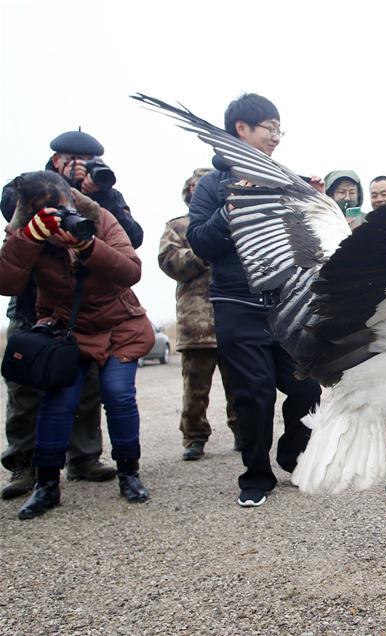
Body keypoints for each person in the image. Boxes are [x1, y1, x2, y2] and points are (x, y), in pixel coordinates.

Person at [187, 93, 322, 507]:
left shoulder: (284, 180)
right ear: (240, 130)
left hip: (284, 304)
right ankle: (256, 474)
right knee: (255, 394)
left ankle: (292, 452)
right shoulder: (211, 186)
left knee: (307, 386)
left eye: (280, 129)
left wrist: (314, 204)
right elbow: (201, 244)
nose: (276, 137)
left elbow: (306, 245)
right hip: (236, 304)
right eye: (270, 127)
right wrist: (232, 206)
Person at [0, 170, 154, 519]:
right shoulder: (28, 235)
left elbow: (131, 270)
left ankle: (129, 474)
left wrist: (88, 245)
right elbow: (7, 282)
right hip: (68, 331)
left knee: (118, 395)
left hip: (119, 324)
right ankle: (47, 485)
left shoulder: (99, 219)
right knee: (59, 401)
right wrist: (29, 240)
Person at [158, 168, 239, 461]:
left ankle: (242, 432)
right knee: (195, 388)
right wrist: (204, 251)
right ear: (190, 191)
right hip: (197, 323)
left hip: (233, 317)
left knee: (239, 385)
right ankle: (194, 437)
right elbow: (169, 262)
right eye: (196, 186)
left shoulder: (238, 222)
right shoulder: (179, 226)